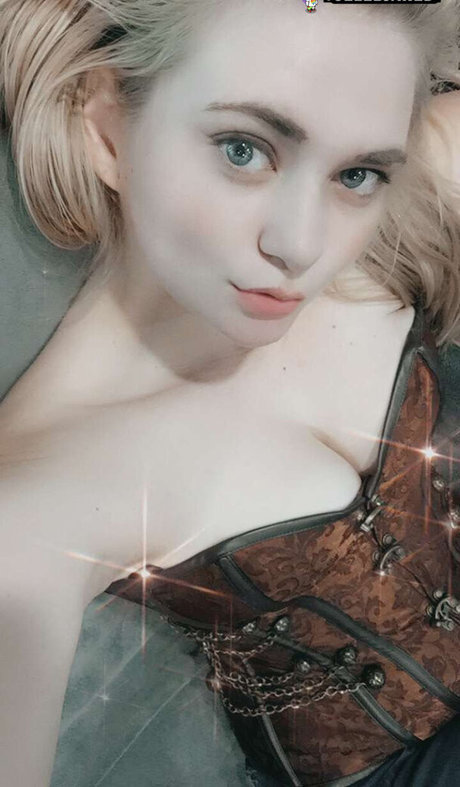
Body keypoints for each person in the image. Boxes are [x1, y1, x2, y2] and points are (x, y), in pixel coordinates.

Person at [1, 0, 460, 785]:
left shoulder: (395, 210)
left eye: (357, 174)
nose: (301, 245)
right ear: (105, 128)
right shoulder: (42, 503)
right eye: (243, 150)